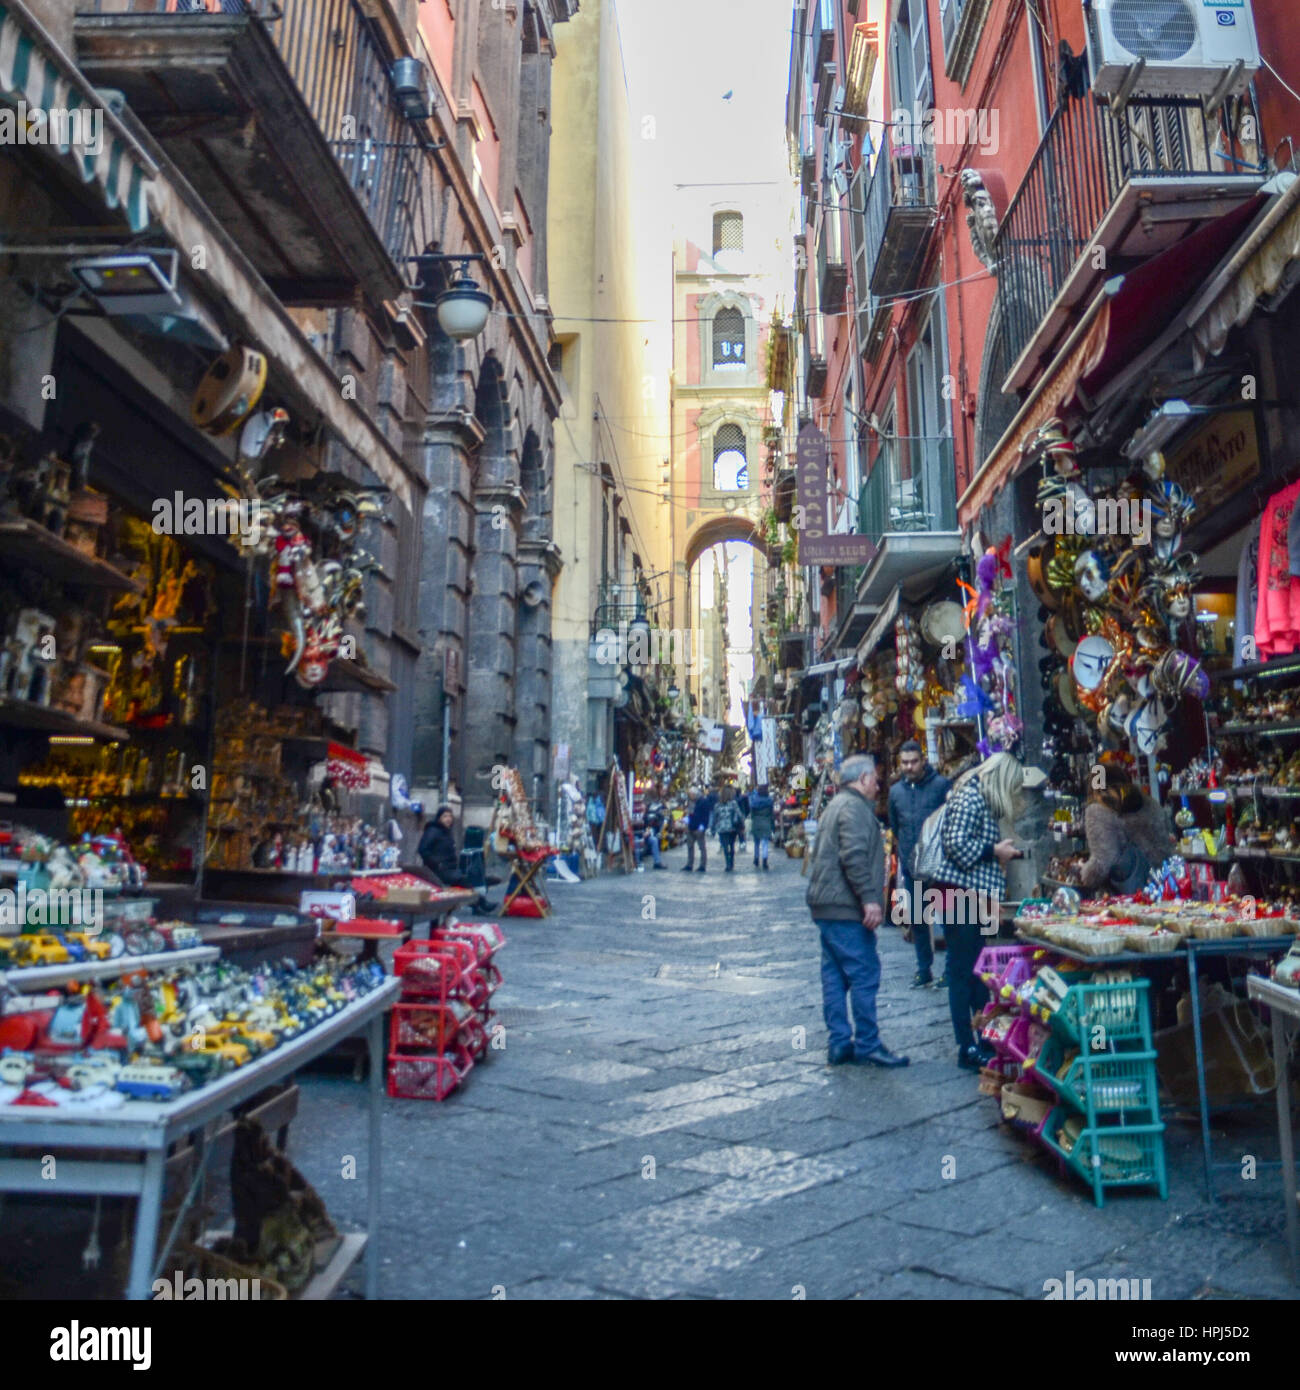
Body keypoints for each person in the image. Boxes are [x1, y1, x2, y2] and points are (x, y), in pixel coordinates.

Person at [805, 754, 910, 1067]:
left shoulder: (836, 806)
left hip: (827, 905)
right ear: (863, 779)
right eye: (875, 779)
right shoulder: (853, 809)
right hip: (844, 905)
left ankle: (839, 1042)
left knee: (834, 974)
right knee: (864, 974)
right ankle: (867, 1043)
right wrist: (869, 899)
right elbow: (853, 857)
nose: (878, 786)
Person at [934, 751, 1025, 1071]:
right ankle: (967, 1047)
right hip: (958, 896)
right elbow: (955, 845)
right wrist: (994, 850)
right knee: (961, 971)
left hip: (970, 895)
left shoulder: (976, 796)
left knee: (974, 970)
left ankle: (982, 1038)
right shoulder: (970, 797)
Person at [887, 739, 951, 988]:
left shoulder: (941, 786)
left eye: (914, 761)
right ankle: (924, 969)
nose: (909, 767)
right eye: (905, 762)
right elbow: (896, 825)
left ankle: (949, 969)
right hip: (911, 865)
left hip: (939, 864)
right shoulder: (896, 793)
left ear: (923, 761)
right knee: (918, 919)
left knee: (947, 918)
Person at [1079, 766, 1173, 894]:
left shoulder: (1098, 810)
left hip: (1132, 894)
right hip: (1166, 884)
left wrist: (1085, 876)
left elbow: (1103, 860)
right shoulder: (1150, 803)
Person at [418, 806, 496, 914]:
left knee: (467, 881)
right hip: (438, 870)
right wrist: (436, 863)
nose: (448, 819)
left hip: (449, 868)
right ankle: (481, 903)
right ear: (439, 818)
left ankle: (478, 905)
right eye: (445, 816)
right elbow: (423, 849)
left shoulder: (446, 831)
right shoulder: (433, 831)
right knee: (464, 881)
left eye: (450, 816)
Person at [710, 785, 745, 872]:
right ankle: (731, 862)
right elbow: (739, 814)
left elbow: (715, 817)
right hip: (732, 827)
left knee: (725, 846)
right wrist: (742, 824)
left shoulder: (717, 805)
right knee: (732, 845)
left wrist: (713, 828)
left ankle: (728, 864)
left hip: (722, 828)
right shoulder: (733, 803)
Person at [684, 786, 714, 872]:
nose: (690, 796)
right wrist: (686, 824)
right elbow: (689, 814)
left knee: (702, 847)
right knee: (690, 847)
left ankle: (702, 865)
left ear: (695, 794)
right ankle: (689, 864)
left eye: (691, 795)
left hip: (699, 828)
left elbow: (705, 817)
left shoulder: (703, 802)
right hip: (691, 827)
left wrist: (702, 828)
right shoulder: (690, 802)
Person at [748, 784, 775, 869]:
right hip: (766, 822)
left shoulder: (754, 801)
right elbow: (771, 814)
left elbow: (752, 814)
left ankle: (756, 858)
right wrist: (772, 824)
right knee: (765, 843)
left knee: (756, 842)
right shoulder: (770, 801)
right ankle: (764, 860)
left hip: (756, 823)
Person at [640, 785, 667, 870]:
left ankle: (657, 861)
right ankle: (657, 861)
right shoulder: (651, 805)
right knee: (654, 840)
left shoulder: (660, 804)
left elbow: (666, 816)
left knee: (655, 840)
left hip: (650, 829)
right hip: (645, 831)